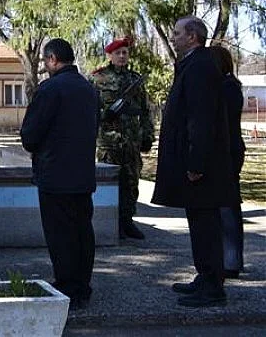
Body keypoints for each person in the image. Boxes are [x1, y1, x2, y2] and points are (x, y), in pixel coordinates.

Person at [153, 16, 233, 307]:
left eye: (177, 33)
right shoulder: (192, 63)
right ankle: (205, 275)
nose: (172, 37)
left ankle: (213, 286)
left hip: (204, 167)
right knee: (198, 222)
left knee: (206, 224)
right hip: (196, 162)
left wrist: (196, 162)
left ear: (193, 37)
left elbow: (201, 119)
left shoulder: (200, 67)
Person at [20, 38, 98, 309]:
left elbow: (30, 134)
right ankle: (82, 286)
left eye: (45, 61)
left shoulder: (50, 89)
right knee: (82, 231)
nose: (45, 66)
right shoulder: (88, 88)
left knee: (60, 234)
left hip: (55, 175)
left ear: (52, 59)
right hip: (83, 174)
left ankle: (67, 286)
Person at [90, 37, 155, 240]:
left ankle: (128, 221)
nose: (121, 56)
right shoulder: (98, 79)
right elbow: (89, 109)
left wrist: (147, 135)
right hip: (109, 140)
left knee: (131, 181)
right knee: (109, 182)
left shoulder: (135, 79)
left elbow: (145, 110)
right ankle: (111, 223)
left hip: (131, 139)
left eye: (125, 52)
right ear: (109, 55)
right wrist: (104, 116)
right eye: (117, 53)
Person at [210, 44, 246, 279]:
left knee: (228, 208)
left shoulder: (227, 88)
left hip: (227, 152)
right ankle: (227, 259)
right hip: (227, 151)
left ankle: (231, 261)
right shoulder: (227, 86)